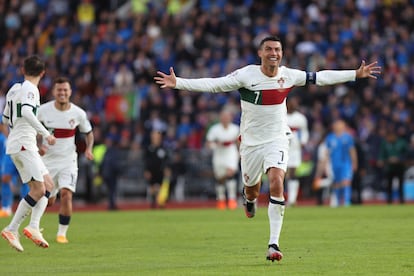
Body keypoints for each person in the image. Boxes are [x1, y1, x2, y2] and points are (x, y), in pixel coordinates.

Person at [154, 35, 381, 262]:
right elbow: (214, 84)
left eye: (278, 50)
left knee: (276, 181)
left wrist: (355, 74)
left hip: (277, 139)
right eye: (269, 49)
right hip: (251, 144)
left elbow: (320, 77)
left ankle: (273, 243)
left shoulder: (288, 75)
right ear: (260, 54)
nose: (274, 53)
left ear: (282, 54)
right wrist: (179, 83)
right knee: (252, 190)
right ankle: (249, 198)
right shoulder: (246, 75)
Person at [1, 55, 56, 252]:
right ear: (43, 73)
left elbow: (6, 118)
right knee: (39, 190)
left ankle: (33, 226)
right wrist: (44, 134)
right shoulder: (31, 90)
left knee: (49, 185)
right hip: (24, 144)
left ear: (23, 70)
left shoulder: (14, 89)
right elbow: (25, 112)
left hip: (21, 143)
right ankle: (11, 228)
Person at [37, 76, 94, 243]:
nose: (62, 93)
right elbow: (32, 130)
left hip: (68, 161)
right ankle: (35, 227)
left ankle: (62, 234)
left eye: (65, 90)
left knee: (66, 194)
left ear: (70, 92)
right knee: (47, 200)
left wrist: (89, 149)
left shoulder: (78, 113)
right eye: (59, 90)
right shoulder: (42, 110)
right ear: (54, 92)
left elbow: (89, 133)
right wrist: (37, 145)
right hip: (47, 162)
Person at [206, 109, 240, 210]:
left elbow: (239, 142)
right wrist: (216, 144)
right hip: (219, 155)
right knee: (220, 179)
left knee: (230, 174)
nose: (225, 119)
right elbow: (208, 143)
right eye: (223, 117)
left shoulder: (235, 129)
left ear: (230, 118)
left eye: (227, 117)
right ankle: (221, 199)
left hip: (231, 154)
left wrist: (240, 153)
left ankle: (232, 200)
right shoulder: (214, 129)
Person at [324, 119, 358, 207]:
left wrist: (354, 163)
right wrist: (326, 164)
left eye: (340, 125)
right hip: (334, 164)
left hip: (346, 163)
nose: (338, 126)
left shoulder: (347, 137)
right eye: (336, 125)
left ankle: (347, 202)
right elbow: (327, 152)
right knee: (337, 183)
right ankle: (339, 202)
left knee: (346, 181)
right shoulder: (330, 138)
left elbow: (352, 151)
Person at [285, 96, 309, 206]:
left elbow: (304, 132)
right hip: (282, 146)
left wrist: (303, 142)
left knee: (293, 172)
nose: (294, 105)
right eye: (292, 103)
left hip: (295, 148)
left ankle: (292, 199)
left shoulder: (301, 118)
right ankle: (279, 197)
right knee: (282, 173)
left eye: (295, 103)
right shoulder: (281, 116)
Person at [377, 129, 408, 204]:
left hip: (400, 167)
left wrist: (399, 159)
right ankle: (389, 201)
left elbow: (407, 154)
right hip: (389, 168)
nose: (388, 139)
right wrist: (381, 160)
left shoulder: (402, 142)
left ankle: (401, 200)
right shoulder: (385, 143)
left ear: (393, 136)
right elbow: (382, 154)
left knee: (401, 185)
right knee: (389, 185)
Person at [143, 130, 170, 209]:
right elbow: (145, 161)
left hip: (160, 171)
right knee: (152, 187)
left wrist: (167, 168)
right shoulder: (149, 149)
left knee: (161, 187)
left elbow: (166, 160)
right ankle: (153, 203)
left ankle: (161, 203)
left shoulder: (163, 149)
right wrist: (146, 170)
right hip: (151, 171)